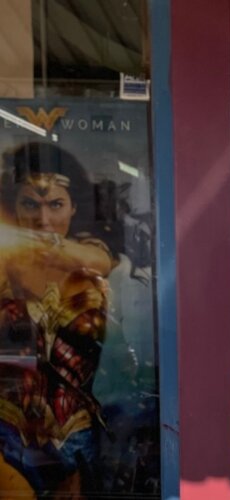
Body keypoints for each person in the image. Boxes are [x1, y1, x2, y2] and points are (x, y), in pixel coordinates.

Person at [0, 142, 116, 496]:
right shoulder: (6, 265)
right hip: (9, 431)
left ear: (74, 207)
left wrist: (46, 246)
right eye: (29, 204)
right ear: (12, 207)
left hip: (75, 434)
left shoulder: (90, 259)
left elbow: (101, 262)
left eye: (55, 204)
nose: (43, 219)